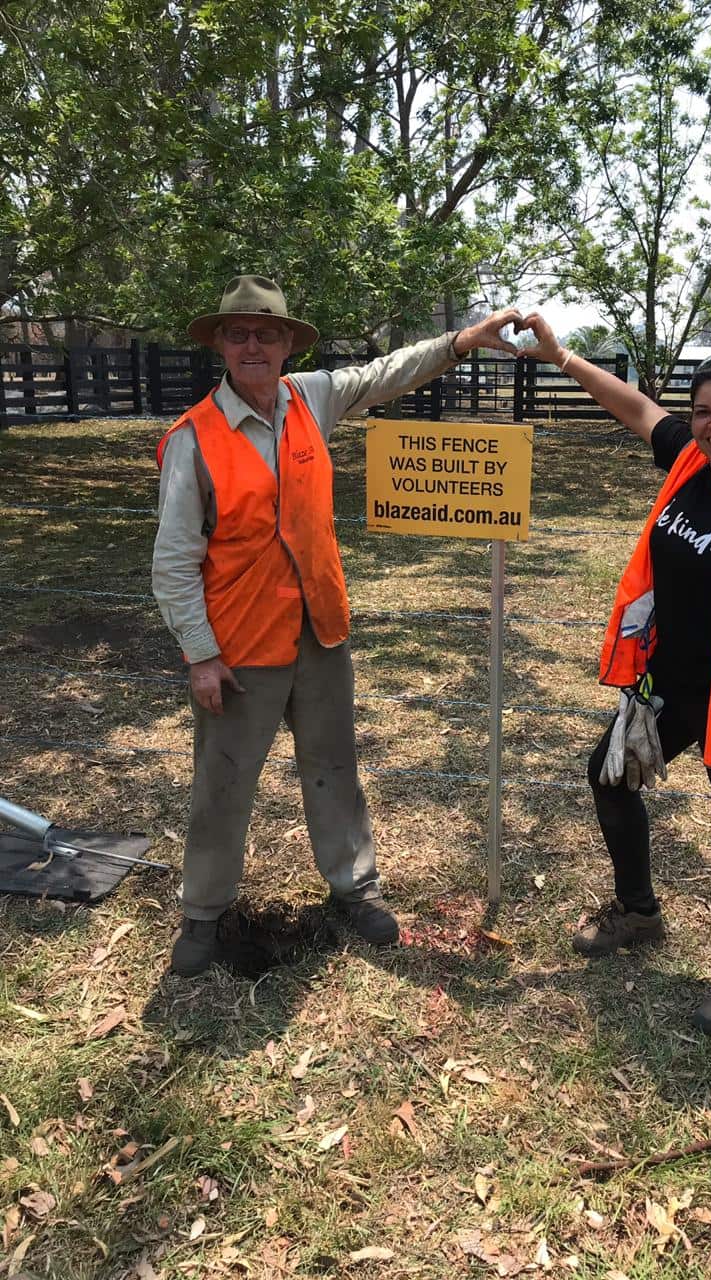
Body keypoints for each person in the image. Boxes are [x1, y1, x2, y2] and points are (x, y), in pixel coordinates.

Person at [153, 275, 523, 977]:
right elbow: (172, 560)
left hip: (320, 631)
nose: (253, 345)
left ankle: (354, 889)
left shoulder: (310, 397)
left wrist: (461, 342)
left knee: (334, 767)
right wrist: (201, 655)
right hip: (239, 646)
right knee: (223, 781)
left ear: (289, 344)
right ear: (221, 346)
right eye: (238, 334)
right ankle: (203, 914)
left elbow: (387, 374)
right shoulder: (194, 439)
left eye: (267, 332)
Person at [520, 315, 711, 1033]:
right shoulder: (690, 462)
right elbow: (632, 406)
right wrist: (560, 355)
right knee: (608, 776)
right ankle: (638, 912)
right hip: (665, 686)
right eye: (703, 411)